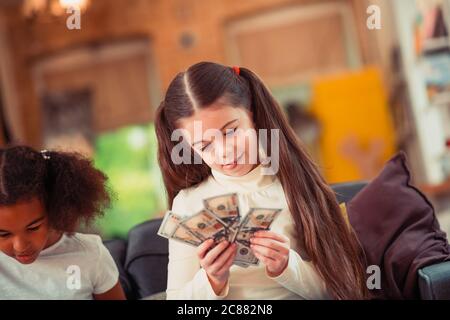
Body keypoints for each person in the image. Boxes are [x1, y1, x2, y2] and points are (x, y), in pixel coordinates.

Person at [155, 61, 368, 300]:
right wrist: (213, 281)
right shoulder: (188, 203)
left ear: (253, 116)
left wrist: (287, 267)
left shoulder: (294, 185)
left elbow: (344, 284)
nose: (224, 152)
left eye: (231, 132)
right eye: (204, 146)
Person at [0, 145, 125, 300]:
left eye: (33, 228)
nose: (20, 246)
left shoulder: (90, 254)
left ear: (55, 208)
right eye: (3, 234)